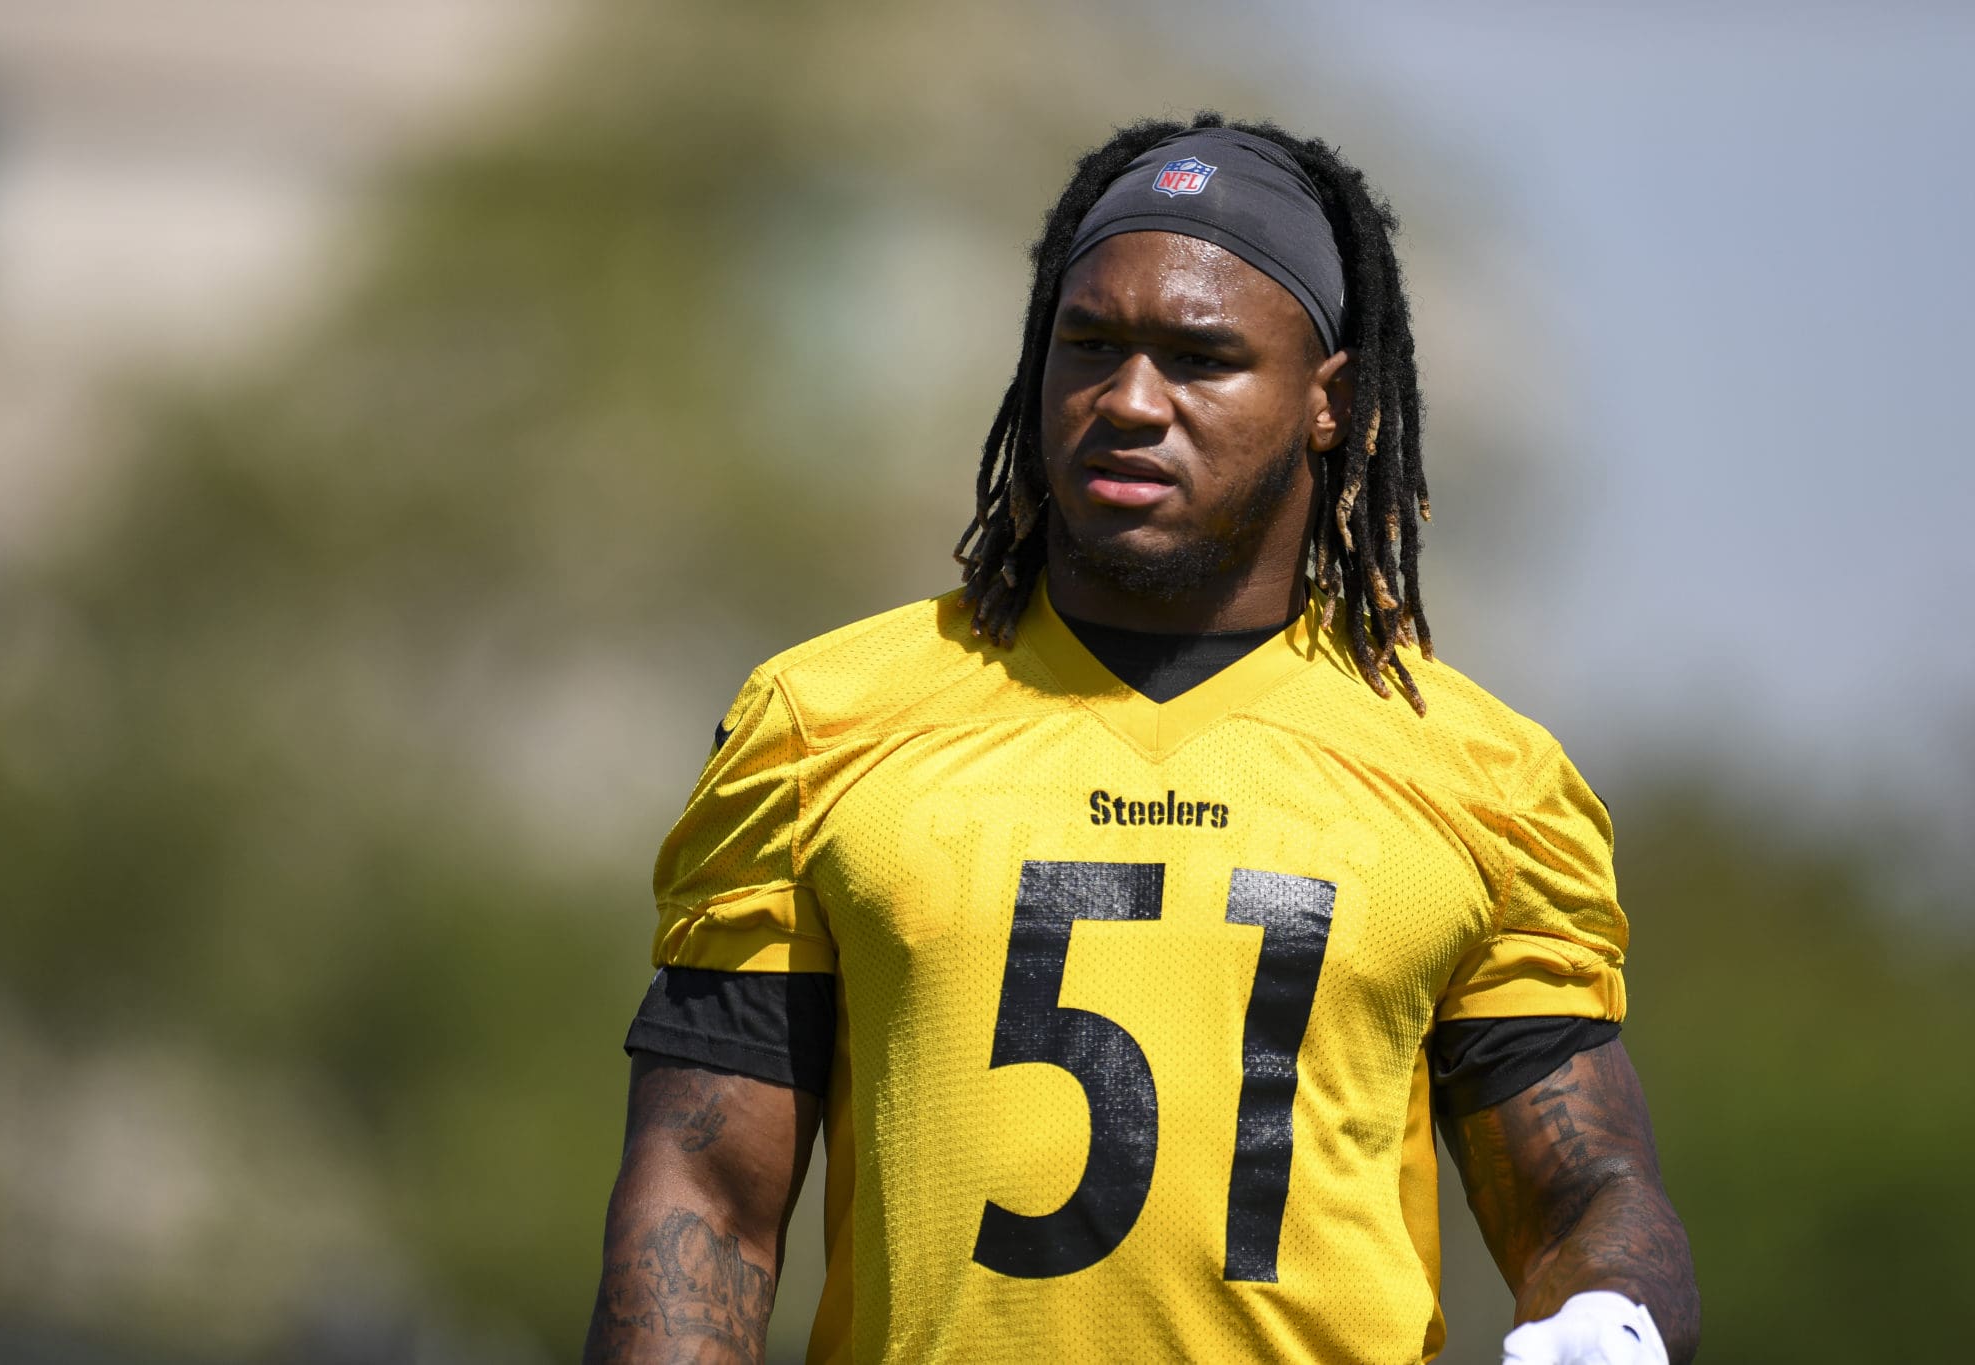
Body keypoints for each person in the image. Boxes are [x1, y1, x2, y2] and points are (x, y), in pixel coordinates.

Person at [584, 113, 1699, 1364]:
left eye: (1197, 358)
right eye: (1091, 345)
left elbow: (1582, 1193)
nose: (1127, 401)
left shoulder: (1483, 780)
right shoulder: (822, 724)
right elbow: (706, 1203)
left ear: (1328, 403)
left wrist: (1609, 1322)